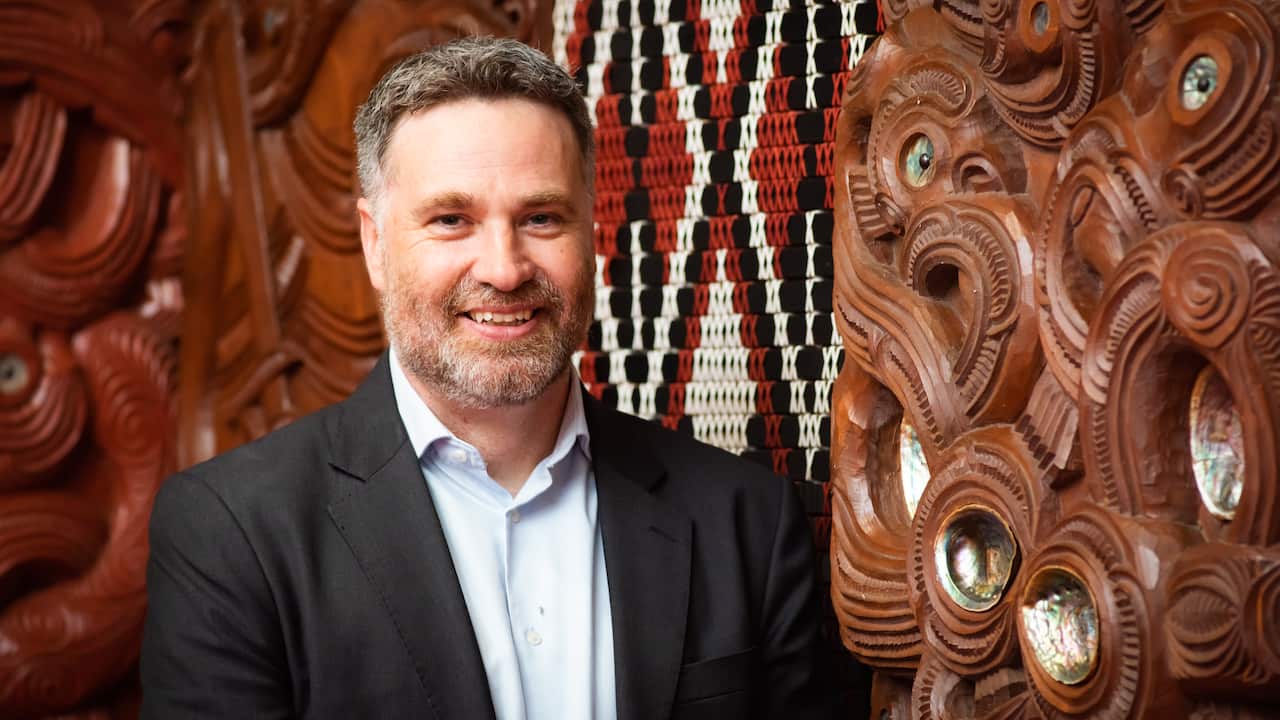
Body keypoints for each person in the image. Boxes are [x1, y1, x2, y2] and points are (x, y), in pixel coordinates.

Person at [141, 37, 835, 719]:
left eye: (541, 217)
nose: (504, 269)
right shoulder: (230, 535)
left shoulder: (745, 522)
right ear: (374, 244)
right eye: (451, 220)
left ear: (589, 233)